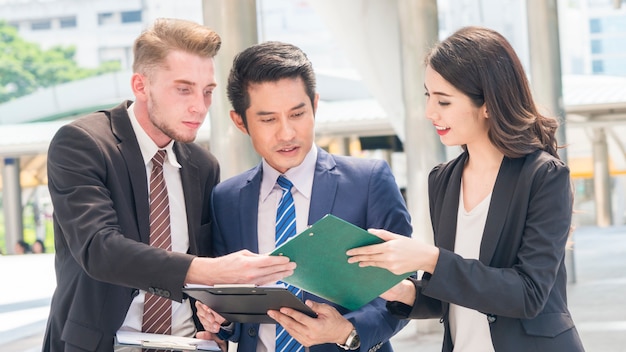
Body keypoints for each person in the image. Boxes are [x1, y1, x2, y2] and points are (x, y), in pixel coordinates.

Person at [43, 19, 295, 352]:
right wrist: (209, 270)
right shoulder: (82, 144)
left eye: (207, 92)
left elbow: (204, 271)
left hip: (187, 345)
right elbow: (99, 249)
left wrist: (216, 320)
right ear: (140, 85)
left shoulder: (203, 165)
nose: (200, 106)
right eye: (184, 89)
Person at [346, 26, 585, 351]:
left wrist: (430, 258)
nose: (430, 112)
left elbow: (528, 295)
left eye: (444, 101)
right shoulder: (443, 180)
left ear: (488, 103)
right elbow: (455, 294)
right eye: (428, 95)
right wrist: (405, 292)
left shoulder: (544, 176)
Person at [195, 41, 413, 352]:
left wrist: (348, 331)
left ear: (315, 104)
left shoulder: (368, 183)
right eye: (268, 119)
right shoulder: (226, 199)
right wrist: (222, 319)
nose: (286, 133)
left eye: (297, 113)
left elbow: (403, 294)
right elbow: (233, 305)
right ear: (240, 121)